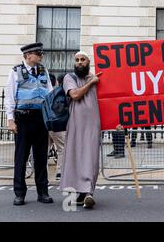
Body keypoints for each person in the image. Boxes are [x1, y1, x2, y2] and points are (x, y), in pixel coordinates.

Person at [4, 42, 54, 205]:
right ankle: (19, 194)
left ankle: (43, 192)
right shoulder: (15, 71)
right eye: (38, 53)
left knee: (41, 158)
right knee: (21, 158)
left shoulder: (43, 71)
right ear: (28, 55)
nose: (41, 56)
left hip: (41, 119)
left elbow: (51, 93)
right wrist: (10, 120)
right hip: (23, 119)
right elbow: (10, 96)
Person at [60, 51, 102, 209]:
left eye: (82, 59)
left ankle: (89, 192)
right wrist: (91, 83)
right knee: (75, 157)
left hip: (93, 125)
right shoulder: (69, 78)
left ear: (88, 62)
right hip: (75, 124)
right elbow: (76, 94)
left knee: (91, 158)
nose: (79, 62)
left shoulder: (96, 78)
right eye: (77, 60)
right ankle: (79, 192)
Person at [47, 73, 66, 180]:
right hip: (59, 126)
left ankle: (42, 173)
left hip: (47, 124)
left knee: (44, 150)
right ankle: (60, 172)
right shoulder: (63, 93)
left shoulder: (49, 93)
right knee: (62, 149)